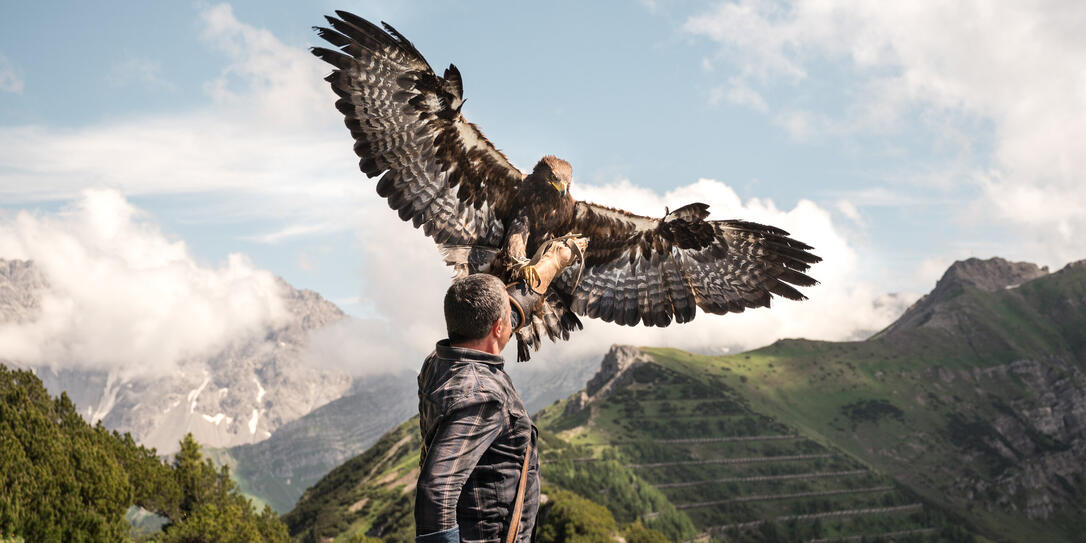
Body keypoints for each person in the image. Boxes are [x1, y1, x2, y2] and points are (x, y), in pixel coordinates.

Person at [415, 236, 588, 543]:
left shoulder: (439, 362)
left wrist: (552, 265)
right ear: (498, 327)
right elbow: (436, 492)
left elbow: (505, 312)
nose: (514, 321)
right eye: (508, 320)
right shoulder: (481, 396)